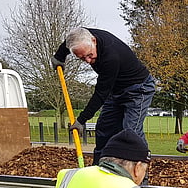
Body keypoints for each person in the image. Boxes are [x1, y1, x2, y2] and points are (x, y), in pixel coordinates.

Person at [51, 27, 157, 165]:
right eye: (82, 58)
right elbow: (68, 42)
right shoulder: (81, 36)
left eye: (89, 55)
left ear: (94, 41)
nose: (88, 60)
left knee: (131, 132)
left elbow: (101, 94)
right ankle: (99, 167)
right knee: (104, 128)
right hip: (116, 89)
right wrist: (59, 57)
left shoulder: (110, 57)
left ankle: (140, 171)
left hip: (138, 89)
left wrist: (81, 120)